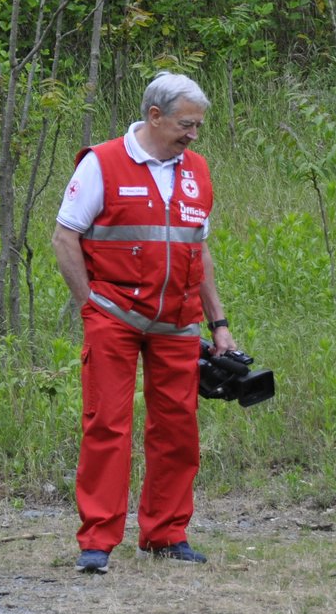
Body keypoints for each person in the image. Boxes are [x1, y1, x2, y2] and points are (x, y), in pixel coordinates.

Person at [51, 71, 237, 574]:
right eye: (185, 124)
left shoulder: (197, 169)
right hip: (114, 318)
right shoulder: (102, 163)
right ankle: (97, 542)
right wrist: (90, 304)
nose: (193, 135)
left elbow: (199, 249)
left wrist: (219, 323)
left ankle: (165, 534)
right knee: (107, 425)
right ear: (154, 116)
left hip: (179, 325)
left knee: (178, 430)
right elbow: (64, 238)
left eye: (198, 126)